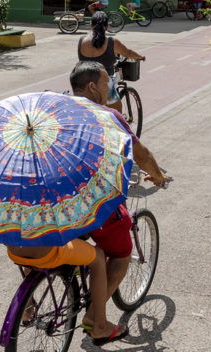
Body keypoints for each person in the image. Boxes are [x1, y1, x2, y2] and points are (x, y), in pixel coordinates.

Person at [69, 61, 168, 341]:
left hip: (55, 204)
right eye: (105, 85)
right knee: (122, 253)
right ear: (91, 87)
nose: (109, 91)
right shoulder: (107, 117)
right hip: (93, 204)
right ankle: (94, 317)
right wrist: (158, 176)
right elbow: (142, 155)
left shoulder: (54, 110)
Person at [77, 11, 145, 114]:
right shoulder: (111, 42)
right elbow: (128, 53)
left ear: (91, 25)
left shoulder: (81, 40)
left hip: (83, 83)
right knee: (117, 114)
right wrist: (140, 57)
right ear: (107, 26)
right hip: (103, 83)